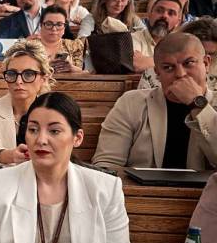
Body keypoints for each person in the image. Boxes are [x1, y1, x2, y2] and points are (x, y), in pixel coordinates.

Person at [0, 92, 133, 243]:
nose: (41, 140)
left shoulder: (107, 189)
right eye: (33, 130)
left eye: (54, 131)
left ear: (77, 138)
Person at [93, 33, 217, 170]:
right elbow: (106, 165)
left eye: (189, 63)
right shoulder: (132, 103)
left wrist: (197, 103)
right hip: (137, 185)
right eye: (168, 67)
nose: (180, 74)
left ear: (206, 63)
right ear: (157, 73)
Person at [0, 42, 53, 163]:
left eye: (28, 74)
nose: (18, 81)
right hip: (2, 173)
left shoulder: (54, 112)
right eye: (12, 74)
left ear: (44, 78)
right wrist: (9, 156)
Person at [15, 6, 85, 73]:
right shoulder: (28, 46)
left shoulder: (74, 45)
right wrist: (45, 67)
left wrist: (71, 68)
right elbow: (20, 68)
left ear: (64, 27)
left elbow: (81, 72)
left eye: (59, 24)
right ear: (41, 25)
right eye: (49, 24)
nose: (54, 29)